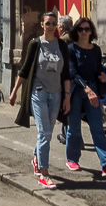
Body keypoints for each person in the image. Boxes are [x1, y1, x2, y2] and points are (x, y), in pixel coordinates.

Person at [9, 12, 70, 189]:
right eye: (48, 23)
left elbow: (66, 74)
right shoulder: (36, 44)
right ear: (42, 25)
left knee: (49, 131)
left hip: (57, 94)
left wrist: (67, 96)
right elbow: (25, 70)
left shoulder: (62, 46)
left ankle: (36, 158)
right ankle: (44, 174)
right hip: (39, 93)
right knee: (44, 133)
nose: (51, 27)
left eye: (54, 24)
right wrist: (14, 93)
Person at [66, 17, 106, 178]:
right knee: (74, 126)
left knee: (97, 127)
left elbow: (98, 68)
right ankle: (72, 158)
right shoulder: (71, 49)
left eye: (87, 29)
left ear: (91, 32)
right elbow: (72, 73)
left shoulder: (95, 50)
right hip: (77, 90)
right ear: (76, 32)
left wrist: (102, 75)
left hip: (93, 88)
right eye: (80, 29)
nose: (84, 32)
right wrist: (87, 90)